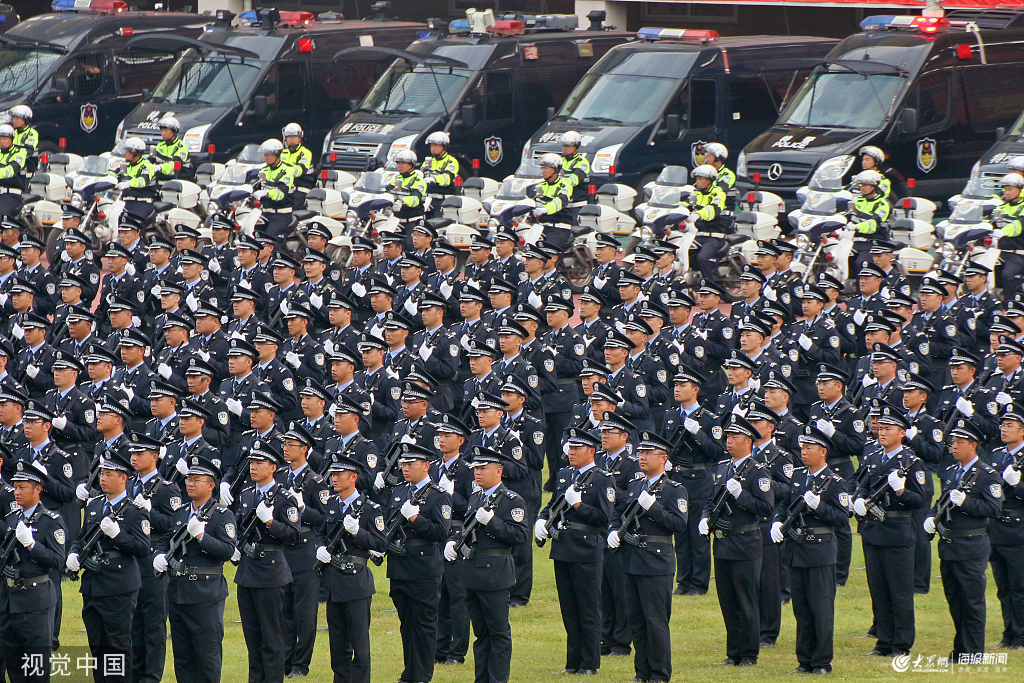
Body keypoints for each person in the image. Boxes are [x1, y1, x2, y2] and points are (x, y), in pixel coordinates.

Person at [607, 431, 688, 683]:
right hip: (631, 560)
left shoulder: (675, 489)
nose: (641, 457)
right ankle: (641, 673)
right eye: (640, 452)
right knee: (637, 622)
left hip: (656, 561)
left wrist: (653, 507)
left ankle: (659, 674)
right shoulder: (635, 485)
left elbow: (679, 524)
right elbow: (617, 511)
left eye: (647, 453)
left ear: (663, 458)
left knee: (655, 622)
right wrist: (612, 529)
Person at [66, 443, 151, 683]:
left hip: (119, 585)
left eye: (109, 474)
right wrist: (74, 553)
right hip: (93, 583)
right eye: (102, 473)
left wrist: (118, 535)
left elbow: (142, 548)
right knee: (97, 645)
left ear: (123, 478)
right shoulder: (94, 505)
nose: (103, 479)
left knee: (118, 645)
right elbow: (82, 537)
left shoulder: (135, 511)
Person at [443, 445, 528, 683]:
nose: (477, 473)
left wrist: (492, 522)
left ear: (499, 472)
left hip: (495, 573)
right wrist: (452, 541)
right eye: (476, 468)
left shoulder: (512, 500)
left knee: (498, 633)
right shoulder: (476, 496)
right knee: (480, 634)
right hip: (471, 572)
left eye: (483, 468)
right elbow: (466, 529)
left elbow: (520, 536)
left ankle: (498, 679)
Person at [769, 424, 848, 675]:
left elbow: (842, 518)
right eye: (802, 447)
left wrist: (819, 507)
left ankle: (822, 661)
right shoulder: (798, 476)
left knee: (821, 609)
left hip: (820, 550)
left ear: (823, 451)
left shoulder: (835, 482)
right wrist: (777, 521)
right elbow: (785, 506)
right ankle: (804, 660)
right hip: (796, 548)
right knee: (801, 608)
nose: (803, 451)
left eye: (809, 447)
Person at [535, 427, 614, 676]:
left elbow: (603, 517)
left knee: (588, 608)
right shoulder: (564, 474)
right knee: (569, 609)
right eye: (570, 447)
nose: (571, 452)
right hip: (563, 547)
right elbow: (552, 505)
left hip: (586, 548)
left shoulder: (602, 478)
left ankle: (589, 663)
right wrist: (541, 519)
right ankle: (573, 661)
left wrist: (578, 504)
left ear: (591, 451)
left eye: (577, 448)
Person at [153, 454, 236, 683]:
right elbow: (166, 539)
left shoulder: (221, 515)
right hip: (178, 592)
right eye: (188, 478)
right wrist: (159, 554)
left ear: (211, 485)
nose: (189, 483)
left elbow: (227, 551)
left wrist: (201, 536)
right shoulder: (181, 512)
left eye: (196, 479)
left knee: (207, 656)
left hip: (205, 593)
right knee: (183, 657)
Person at [925, 418, 1002, 663]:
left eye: (959, 442)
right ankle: (961, 649)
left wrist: (966, 503)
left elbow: (994, 508)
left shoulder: (987, 475)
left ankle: (974, 652)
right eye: (952, 442)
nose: (953, 447)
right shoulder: (950, 471)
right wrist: (931, 517)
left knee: (972, 601)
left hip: (971, 544)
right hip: (949, 545)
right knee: (955, 600)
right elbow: (940, 502)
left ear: (973, 445)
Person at [699, 414, 774, 666]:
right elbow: (711, 501)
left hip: (744, 543)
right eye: (728, 436)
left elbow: (765, 507)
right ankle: (734, 652)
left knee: (746, 601)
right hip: (722, 543)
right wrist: (705, 517)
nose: (729, 441)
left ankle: (749, 654)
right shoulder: (723, 468)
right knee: (728, 602)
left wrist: (741, 495)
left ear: (749, 441)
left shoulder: (758, 472)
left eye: (734, 437)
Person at [233, 440, 301, 683]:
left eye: (259, 463)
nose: (253, 467)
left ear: (273, 467)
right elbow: (240, 528)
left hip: (271, 572)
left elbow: (294, 535)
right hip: (247, 571)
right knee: (253, 638)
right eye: (252, 462)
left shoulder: (283, 498)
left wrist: (272, 523)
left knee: (271, 639)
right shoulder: (247, 494)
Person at [316, 452, 387, 683]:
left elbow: (380, 543)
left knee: (360, 645)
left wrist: (358, 532)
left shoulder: (369, 509)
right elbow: (320, 533)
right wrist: (319, 548)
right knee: (337, 644)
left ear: (353, 477)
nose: (333, 478)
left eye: (339, 474)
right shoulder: (331, 504)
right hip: (334, 581)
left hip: (356, 581)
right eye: (333, 474)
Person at [385, 443, 452, 683]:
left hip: (423, 569)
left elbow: (440, 532)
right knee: (406, 625)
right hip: (399, 566)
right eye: (403, 464)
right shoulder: (399, 491)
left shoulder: (438, 495)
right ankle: (409, 673)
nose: (405, 468)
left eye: (411, 464)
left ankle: (422, 675)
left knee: (423, 626)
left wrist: (415, 518)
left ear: (426, 466)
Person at [0, 460, 65, 683]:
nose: (16, 492)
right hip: (10, 600)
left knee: (36, 668)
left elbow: (58, 560)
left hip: (35, 600)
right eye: (15, 487)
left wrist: (32, 545)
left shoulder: (50, 521)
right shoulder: (13, 518)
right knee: (15, 665)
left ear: (38, 489)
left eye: (22, 487)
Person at [126, 433, 183, 683]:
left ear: (155, 457)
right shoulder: (128, 484)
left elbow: (175, 525)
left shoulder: (167, 489)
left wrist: (149, 513)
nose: (134, 458)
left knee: (154, 624)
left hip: (152, 561)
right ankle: (136, 672)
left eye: (140, 454)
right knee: (133, 622)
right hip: (130, 560)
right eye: (133, 453)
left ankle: (151, 675)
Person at [989, 403, 1024, 649]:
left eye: (1010, 426)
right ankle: (1009, 631)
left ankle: (1021, 634)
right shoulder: (997, 455)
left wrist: (1019, 485)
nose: (1004, 429)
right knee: (1003, 586)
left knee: (1019, 585)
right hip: (996, 527)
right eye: (1003, 425)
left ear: (1022, 431)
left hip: (1019, 528)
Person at [685, 164, 729, 283]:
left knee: (702, 258)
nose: (697, 182)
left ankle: (710, 287)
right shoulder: (695, 193)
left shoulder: (718, 194)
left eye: (700, 179)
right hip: (697, 235)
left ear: (709, 180)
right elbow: (684, 205)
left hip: (714, 236)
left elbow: (713, 210)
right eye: (696, 179)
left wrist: (698, 215)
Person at [847, 170, 891, 276]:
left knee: (862, 264)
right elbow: (846, 216)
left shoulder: (882, 204)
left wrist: (856, 227)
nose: (862, 188)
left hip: (872, 243)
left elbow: (873, 225)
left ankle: (862, 292)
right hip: (853, 242)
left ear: (874, 186)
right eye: (861, 185)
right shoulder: (858, 201)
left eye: (866, 185)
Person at [253, 139, 296, 244]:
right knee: (255, 235)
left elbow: (281, 194)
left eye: (269, 155)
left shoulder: (286, 171)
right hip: (265, 213)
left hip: (281, 214)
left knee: (269, 240)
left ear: (277, 156)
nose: (266, 158)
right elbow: (255, 186)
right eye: (265, 155)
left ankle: (274, 259)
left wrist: (267, 192)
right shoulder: (263, 171)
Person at [530, 153, 574, 251]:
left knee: (546, 251)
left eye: (545, 168)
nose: (542, 171)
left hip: (559, 228)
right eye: (541, 168)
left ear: (555, 169)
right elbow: (526, 201)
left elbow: (559, 201)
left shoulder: (565, 185)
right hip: (541, 227)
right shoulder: (540, 186)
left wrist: (544, 209)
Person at [113, 137, 158, 224]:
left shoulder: (147, 166)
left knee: (132, 225)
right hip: (126, 202)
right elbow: (113, 174)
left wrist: (128, 184)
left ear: (135, 153)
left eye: (128, 151)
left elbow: (142, 181)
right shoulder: (125, 164)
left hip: (142, 202)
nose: (125, 153)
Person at [995, 174, 1024, 298]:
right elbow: (989, 221)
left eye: (1010, 189)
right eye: (1005, 189)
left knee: (1007, 275)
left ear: (1020, 190)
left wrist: (1003, 232)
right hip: (998, 252)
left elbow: (1018, 225)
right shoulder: (1001, 207)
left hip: (1018, 254)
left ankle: (1009, 307)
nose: (1006, 192)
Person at [421, 131, 460, 216]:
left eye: (435, 146)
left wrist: (434, 179)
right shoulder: (429, 161)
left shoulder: (451, 161)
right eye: (431, 146)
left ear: (444, 147)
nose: (432, 148)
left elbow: (447, 177)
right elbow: (420, 175)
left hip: (443, 200)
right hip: (428, 199)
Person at [280, 123, 313, 209]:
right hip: (285, 188)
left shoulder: (305, 153)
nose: (292, 139)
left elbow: (298, 171)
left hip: (301, 189)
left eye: (294, 136)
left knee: (287, 207)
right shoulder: (282, 153)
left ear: (300, 138)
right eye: (289, 137)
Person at [0, 125, 27, 220]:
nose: (2, 141)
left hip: (12, 195)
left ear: (11, 139)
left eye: (5, 138)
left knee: (0, 214)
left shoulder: (19, 154)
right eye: (0, 139)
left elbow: (11, 171)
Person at [558, 131, 591, 208]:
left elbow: (574, 180)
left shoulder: (582, 162)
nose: (564, 148)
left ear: (576, 147)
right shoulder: (560, 160)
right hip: (561, 202)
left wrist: (559, 182)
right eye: (563, 145)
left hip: (576, 205)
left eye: (568, 146)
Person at [152, 116, 190, 181]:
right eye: (162, 130)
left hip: (180, 182)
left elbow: (174, 165)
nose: (163, 133)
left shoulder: (181, 147)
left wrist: (159, 167)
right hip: (162, 180)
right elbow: (152, 159)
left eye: (166, 130)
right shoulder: (160, 145)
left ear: (175, 132)